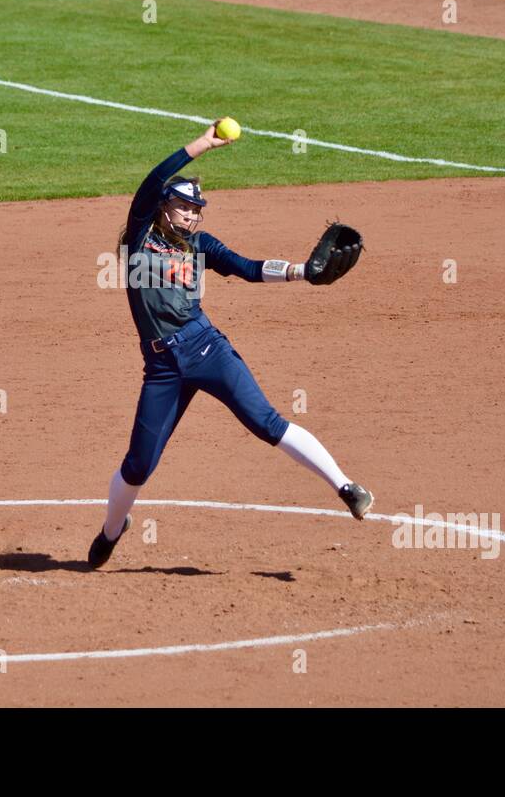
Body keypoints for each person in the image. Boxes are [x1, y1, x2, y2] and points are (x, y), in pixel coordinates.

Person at [88, 121, 373, 569]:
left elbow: (248, 267)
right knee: (140, 464)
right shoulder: (141, 237)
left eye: (196, 209)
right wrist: (202, 144)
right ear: (164, 208)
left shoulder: (200, 246)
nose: (192, 214)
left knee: (266, 423)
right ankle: (111, 530)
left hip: (206, 349)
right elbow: (151, 180)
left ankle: (346, 487)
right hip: (161, 367)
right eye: (184, 206)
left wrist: (302, 272)